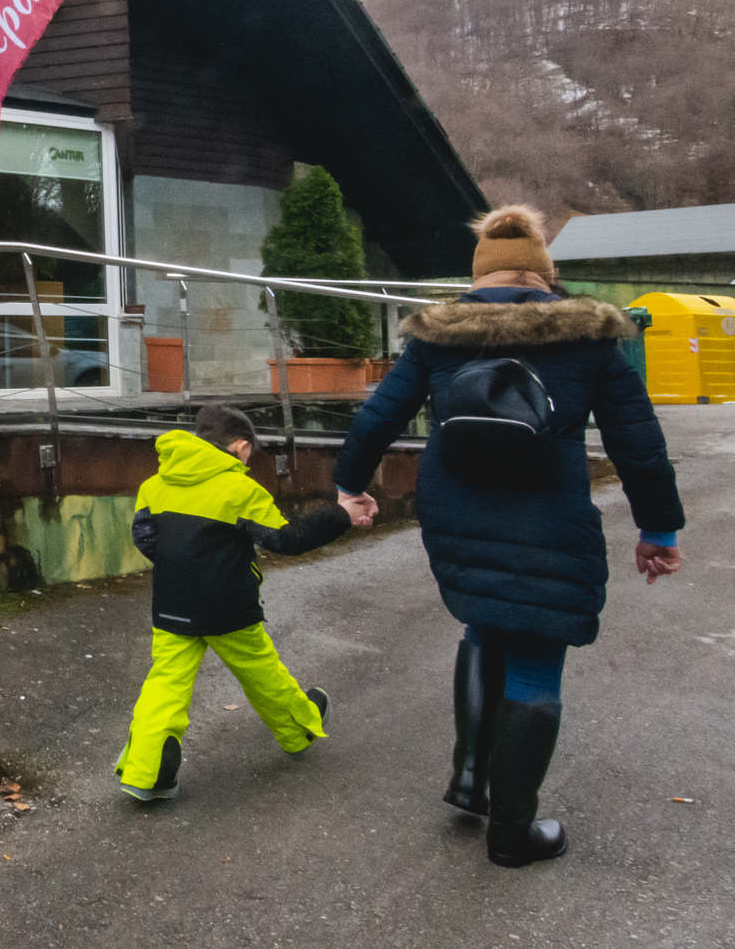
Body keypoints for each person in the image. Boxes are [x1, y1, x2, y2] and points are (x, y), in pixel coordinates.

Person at [333, 206, 684, 868]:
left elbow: (378, 415)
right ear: (544, 273)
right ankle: (512, 833)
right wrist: (657, 528)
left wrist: (350, 482)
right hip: (547, 514)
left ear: (479, 276)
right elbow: (638, 444)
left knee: (486, 623)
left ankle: (471, 780)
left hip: (455, 512)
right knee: (534, 656)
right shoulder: (588, 339)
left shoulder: (438, 337)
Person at [114, 404, 364, 802]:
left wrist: (183, 570)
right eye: (251, 453)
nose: (250, 460)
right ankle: (298, 730)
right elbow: (286, 539)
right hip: (228, 607)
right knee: (262, 672)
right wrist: (340, 515)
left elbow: (146, 539)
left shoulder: (154, 485)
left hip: (172, 604)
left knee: (165, 683)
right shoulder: (239, 489)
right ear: (241, 446)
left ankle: (148, 773)